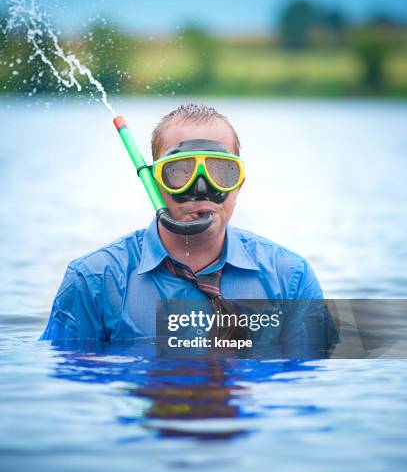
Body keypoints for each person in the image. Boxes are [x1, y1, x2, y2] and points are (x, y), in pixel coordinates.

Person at [40, 103, 325, 344]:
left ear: (239, 184)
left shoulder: (290, 279)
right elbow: (69, 393)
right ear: (153, 182)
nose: (201, 189)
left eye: (221, 172)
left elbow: (311, 384)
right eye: (179, 172)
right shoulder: (95, 281)